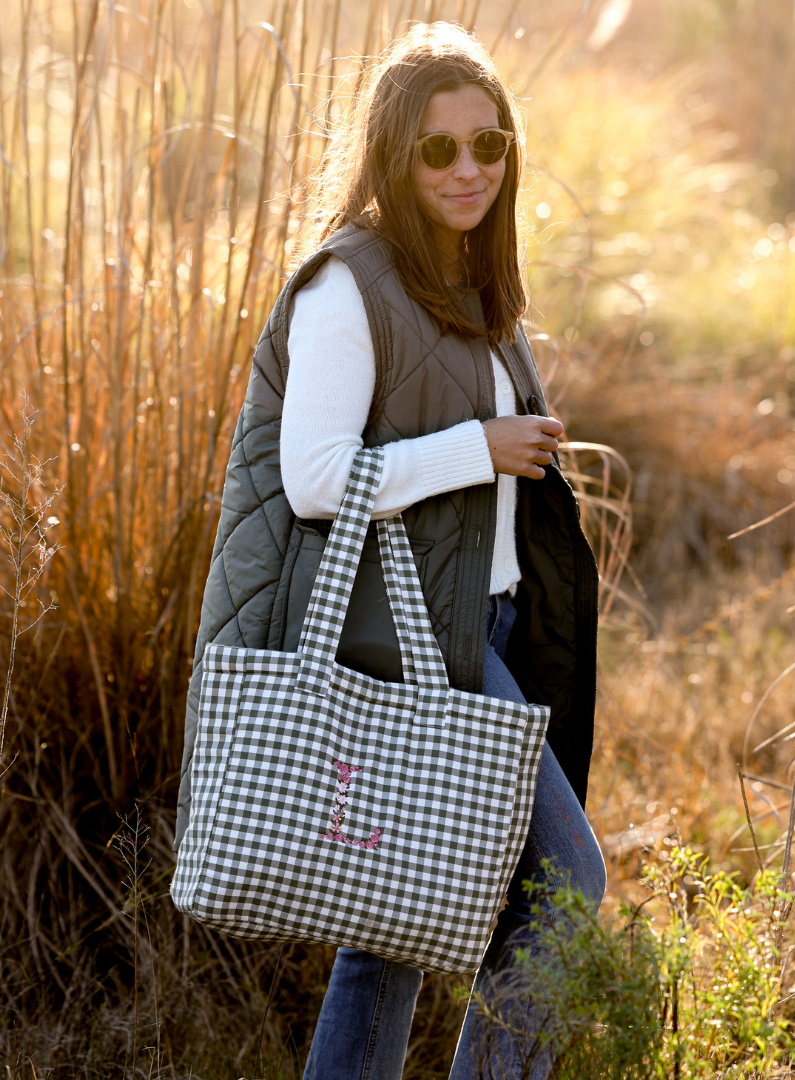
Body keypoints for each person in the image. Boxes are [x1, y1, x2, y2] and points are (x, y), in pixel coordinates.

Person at [174, 20, 606, 1079]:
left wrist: (514, 454)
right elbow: (313, 477)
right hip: (421, 642)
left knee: (394, 928)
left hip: (489, 622)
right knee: (567, 885)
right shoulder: (346, 285)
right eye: (439, 149)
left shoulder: (473, 281)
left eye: (488, 145)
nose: (469, 169)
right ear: (392, 154)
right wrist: (479, 448)